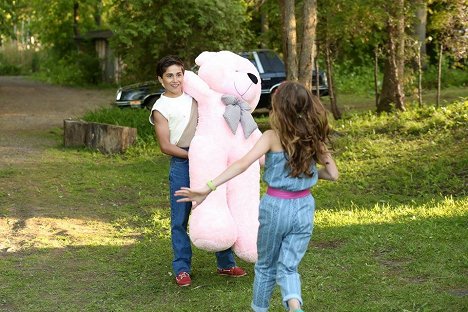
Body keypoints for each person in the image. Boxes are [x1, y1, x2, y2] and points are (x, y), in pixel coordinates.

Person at [175, 81, 338, 311]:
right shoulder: (314, 138)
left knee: (265, 266)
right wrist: (306, 175)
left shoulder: (272, 137)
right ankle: (294, 306)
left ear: (279, 107)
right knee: (289, 267)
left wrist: (208, 186)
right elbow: (332, 173)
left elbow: (242, 164)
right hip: (304, 207)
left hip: (276, 207)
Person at [149, 55, 246, 287]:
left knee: (217, 208)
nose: (175, 80)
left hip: (209, 160)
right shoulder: (159, 107)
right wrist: (195, 154)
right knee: (180, 218)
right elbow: (166, 146)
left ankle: (225, 263)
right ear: (160, 79)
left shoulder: (195, 96)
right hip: (183, 162)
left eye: (179, 74)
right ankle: (182, 268)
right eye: (169, 76)